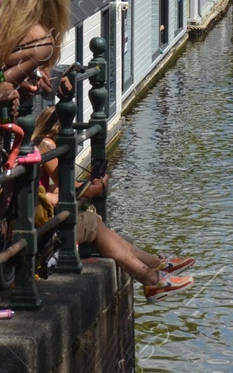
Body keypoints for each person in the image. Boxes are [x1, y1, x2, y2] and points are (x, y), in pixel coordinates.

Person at [30, 107, 193, 301]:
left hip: (36, 220)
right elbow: (70, 188)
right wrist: (96, 188)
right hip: (39, 229)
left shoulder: (36, 143)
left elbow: (54, 190)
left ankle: (155, 267)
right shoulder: (46, 144)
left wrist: (76, 189)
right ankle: (152, 279)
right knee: (93, 222)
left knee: (95, 221)